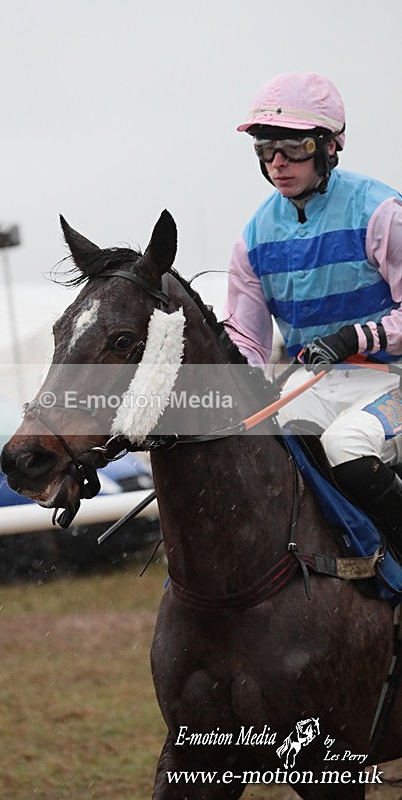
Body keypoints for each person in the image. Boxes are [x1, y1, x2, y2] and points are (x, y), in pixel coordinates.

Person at [225, 71, 402, 558]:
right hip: (314, 384)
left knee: (346, 446)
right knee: (274, 444)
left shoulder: (382, 212)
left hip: (391, 379)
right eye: (265, 148)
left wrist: (355, 337)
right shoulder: (254, 237)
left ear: (328, 146)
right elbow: (247, 340)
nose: (278, 162)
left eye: (293, 147)